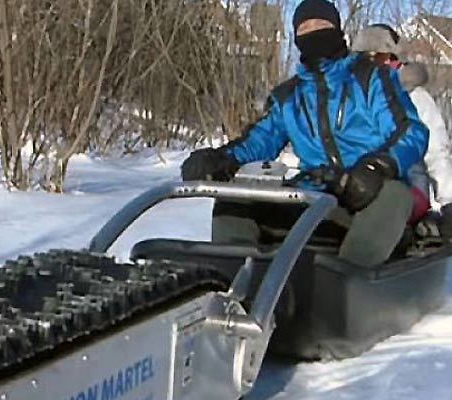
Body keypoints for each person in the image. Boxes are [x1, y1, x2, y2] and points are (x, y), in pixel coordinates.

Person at [180, 0, 429, 267]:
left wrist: (377, 166)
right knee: (234, 200)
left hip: (366, 195)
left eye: (321, 25)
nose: (314, 32)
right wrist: (221, 159)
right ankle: (234, 281)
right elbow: (260, 139)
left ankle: (346, 287)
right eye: (305, 28)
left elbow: (410, 131)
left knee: (392, 195)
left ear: (337, 29)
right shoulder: (289, 95)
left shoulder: (371, 78)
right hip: (314, 196)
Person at [352, 24, 452, 215]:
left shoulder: (414, 97)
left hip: (407, 187)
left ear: (392, 58)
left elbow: (436, 152)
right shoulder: (346, 96)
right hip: (355, 184)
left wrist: (448, 200)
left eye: (379, 57)